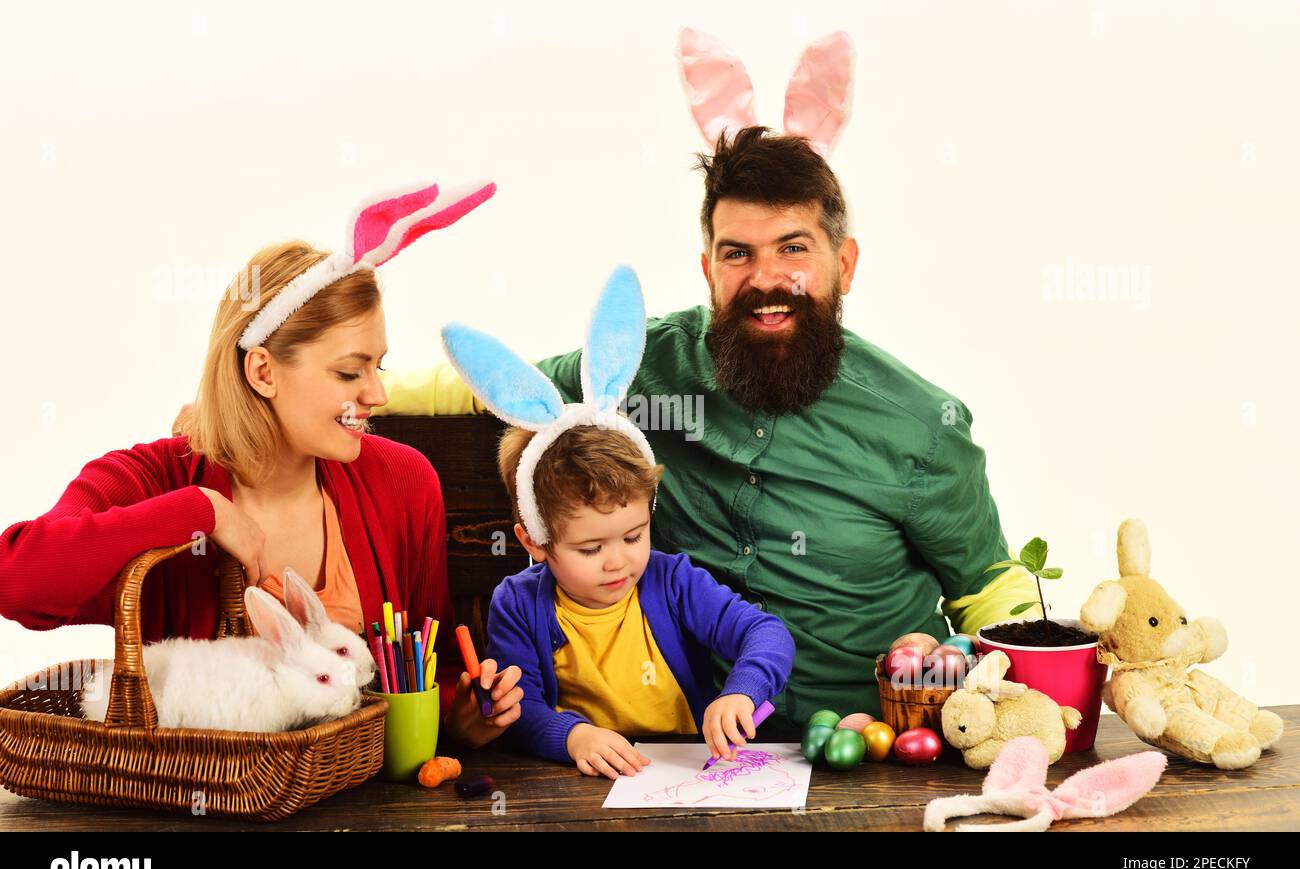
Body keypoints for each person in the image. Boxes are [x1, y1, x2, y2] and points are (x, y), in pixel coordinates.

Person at [381, 130, 1040, 731]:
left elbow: (990, 588)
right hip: (694, 753)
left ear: (846, 262)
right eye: (737, 254)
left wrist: (1034, 708)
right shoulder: (644, 369)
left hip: (874, 749)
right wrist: (357, 387)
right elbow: (498, 388)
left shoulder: (921, 425)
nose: (765, 279)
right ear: (708, 270)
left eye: (793, 248)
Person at [0, 182, 521, 746]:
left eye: (380, 368)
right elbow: (18, 581)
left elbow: (429, 665)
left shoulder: (402, 481)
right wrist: (198, 510)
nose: (377, 395)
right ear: (263, 372)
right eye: (350, 373)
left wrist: (462, 713)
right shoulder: (152, 479)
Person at [486, 424, 794, 778]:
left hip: (685, 774)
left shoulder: (674, 582)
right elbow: (516, 708)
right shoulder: (517, 604)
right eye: (591, 549)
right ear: (535, 542)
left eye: (633, 537)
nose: (617, 562)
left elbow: (766, 633)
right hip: (579, 784)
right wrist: (572, 736)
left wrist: (743, 691)